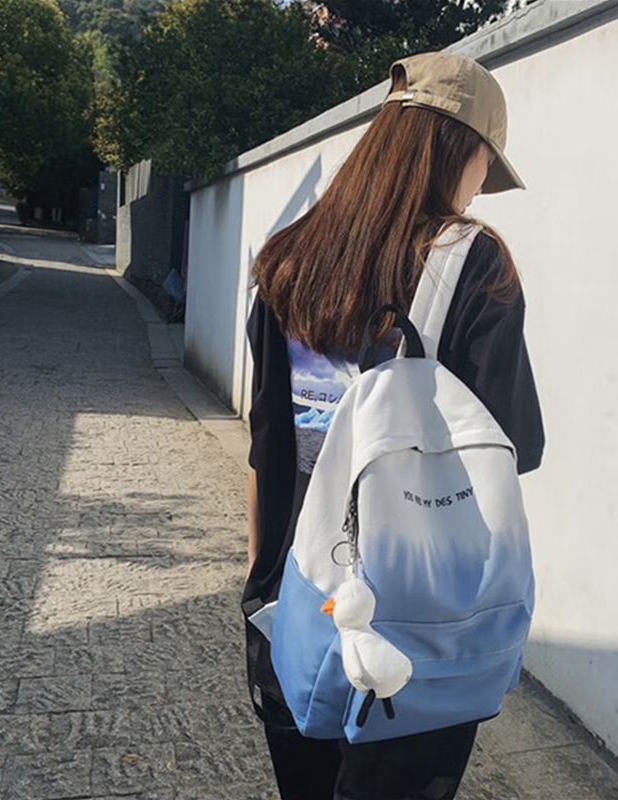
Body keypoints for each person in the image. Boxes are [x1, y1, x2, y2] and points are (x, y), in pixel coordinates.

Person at [242, 51, 545, 800]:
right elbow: (513, 449)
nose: (480, 187)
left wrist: (259, 586)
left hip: (292, 606)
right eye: (484, 165)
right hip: (418, 634)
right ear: (460, 148)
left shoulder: (287, 259)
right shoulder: (476, 264)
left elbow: (267, 445)